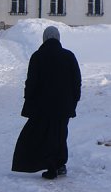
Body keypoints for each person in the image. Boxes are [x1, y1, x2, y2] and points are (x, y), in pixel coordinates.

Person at [12, 25, 81, 180]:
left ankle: (50, 166)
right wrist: (74, 100)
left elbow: (31, 82)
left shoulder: (37, 56)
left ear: (44, 38)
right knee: (61, 133)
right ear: (58, 38)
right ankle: (60, 164)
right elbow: (76, 81)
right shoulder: (69, 56)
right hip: (64, 105)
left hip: (42, 105)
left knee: (45, 134)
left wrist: (28, 100)